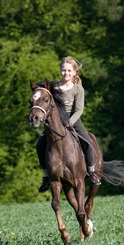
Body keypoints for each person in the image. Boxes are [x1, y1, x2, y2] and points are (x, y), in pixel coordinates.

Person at [36, 56, 101, 193]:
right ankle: (46, 177)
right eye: (63, 70)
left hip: (73, 120)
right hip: (55, 122)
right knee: (40, 144)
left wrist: (69, 123)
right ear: (60, 71)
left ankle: (92, 172)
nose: (66, 73)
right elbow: (41, 93)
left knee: (88, 142)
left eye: (69, 71)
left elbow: (79, 110)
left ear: (74, 72)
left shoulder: (78, 89)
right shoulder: (53, 87)